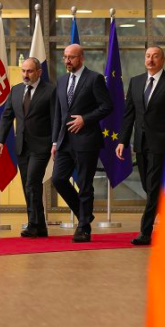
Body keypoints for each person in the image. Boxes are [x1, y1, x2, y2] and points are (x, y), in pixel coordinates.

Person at [116, 46, 165, 245]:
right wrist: (122, 140)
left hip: (161, 143)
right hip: (140, 144)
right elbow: (129, 115)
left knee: (152, 187)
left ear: (163, 60)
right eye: (148, 56)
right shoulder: (135, 82)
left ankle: (145, 232)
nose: (150, 60)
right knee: (149, 186)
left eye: (155, 56)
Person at [52, 43, 113, 242]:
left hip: (87, 140)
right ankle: (84, 214)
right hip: (64, 141)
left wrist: (85, 119)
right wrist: (54, 142)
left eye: (71, 57)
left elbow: (107, 106)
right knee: (58, 179)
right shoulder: (62, 80)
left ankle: (84, 228)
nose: (67, 60)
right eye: (65, 57)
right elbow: (58, 113)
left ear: (81, 58)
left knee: (85, 184)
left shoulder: (94, 78)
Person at [0, 57, 56, 238]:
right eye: (23, 71)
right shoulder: (16, 90)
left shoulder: (50, 91)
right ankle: (40, 226)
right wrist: (0, 141)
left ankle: (33, 224)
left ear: (39, 72)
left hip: (41, 146)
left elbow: (56, 119)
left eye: (29, 71)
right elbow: (7, 117)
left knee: (32, 183)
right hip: (22, 146)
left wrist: (55, 143)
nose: (25, 74)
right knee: (28, 185)